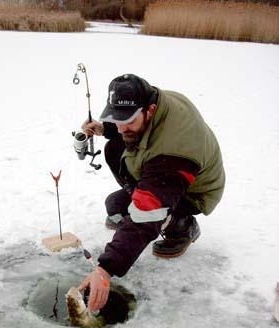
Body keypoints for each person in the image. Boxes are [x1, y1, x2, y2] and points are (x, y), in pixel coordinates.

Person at [78, 74, 225, 313]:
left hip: (193, 190)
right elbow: (140, 127)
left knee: (144, 216)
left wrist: (105, 270)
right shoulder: (151, 103)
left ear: (150, 110)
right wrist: (106, 128)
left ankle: (182, 225)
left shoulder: (175, 149)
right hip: (164, 166)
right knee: (114, 202)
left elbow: (145, 218)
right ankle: (146, 197)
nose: (121, 126)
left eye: (127, 120)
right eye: (116, 118)